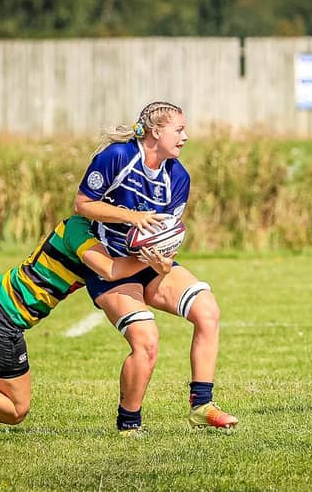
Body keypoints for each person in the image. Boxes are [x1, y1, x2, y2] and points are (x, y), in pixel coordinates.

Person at [0, 215, 172, 424]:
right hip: (3, 319)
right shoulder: (79, 230)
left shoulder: (78, 227)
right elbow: (110, 270)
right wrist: (152, 262)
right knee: (16, 409)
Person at [74, 101, 238, 434]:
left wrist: (164, 261)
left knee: (207, 310)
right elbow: (82, 205)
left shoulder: (178, 177)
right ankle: (129, 423)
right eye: (179, 130)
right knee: (146, 340)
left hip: (149, 263)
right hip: (110, 262)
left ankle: (202, 406)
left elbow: (168, 233)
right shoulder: (118, 157)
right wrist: (131, 217)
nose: (186, 137)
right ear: (156, 131)